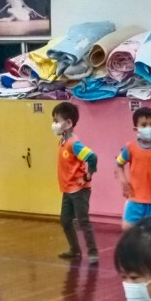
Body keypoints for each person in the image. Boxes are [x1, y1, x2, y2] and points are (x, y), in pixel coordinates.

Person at [52, 101, 99, 262]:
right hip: (67, 189)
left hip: (79, 191)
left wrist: (87, 176)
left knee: (83, 221)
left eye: (57, 121)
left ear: (69, 123)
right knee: (65, 221)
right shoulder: (63, 141)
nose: (54, 124)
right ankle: (75, 249)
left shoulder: (74, 143)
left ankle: (93, 252)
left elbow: (92, 157)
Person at [116, 106, 151, 232]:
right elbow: (119, 164)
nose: (148, 128)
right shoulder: (130, 148)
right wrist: (123, 180)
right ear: (136, 128)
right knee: (127, 228)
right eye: (144, 125)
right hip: (135, 198)